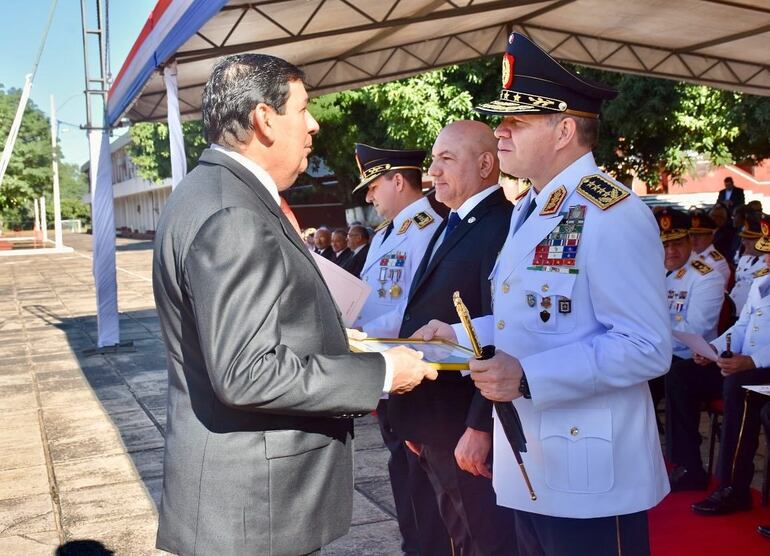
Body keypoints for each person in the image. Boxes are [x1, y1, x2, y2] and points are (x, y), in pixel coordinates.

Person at [151, 54, 437, 556]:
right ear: (264, 118)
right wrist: (383, 372)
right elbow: (247, 371)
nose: (314, 124)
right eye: (303, 108)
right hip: (255, 512)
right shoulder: (234, 214)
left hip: (244, 502)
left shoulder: (212, 192)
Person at [415, 32, 672, 555]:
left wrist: (528, 377)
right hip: (534, 462)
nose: (500, 133)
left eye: (516, 122)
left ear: (565, 131)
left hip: (592, 475)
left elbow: (646, 346)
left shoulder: (611, 213)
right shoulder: (534, 210)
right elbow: (535, 322)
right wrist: (465, 338)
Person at [391, 120, 517, 555]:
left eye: (446, 159)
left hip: (461, 421)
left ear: (486, 164)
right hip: (435, 419)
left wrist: (480, 425)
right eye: (433, 160)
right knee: (459, 536)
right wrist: (413, 413)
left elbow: (502, 334)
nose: (433, 171)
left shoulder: (500, 225)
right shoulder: (456, 220)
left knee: (484, 540)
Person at [351, 143, 450, 555]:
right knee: (404, 480)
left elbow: (412, 308)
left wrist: (359, 338)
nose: (370, 196)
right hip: (386, 371)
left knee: (426, 492)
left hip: (416, 371)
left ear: (397, 180)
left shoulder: (428, 228)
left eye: (374, 186)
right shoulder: (385, 234)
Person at [686, 215, 770, 515]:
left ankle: (733, 487)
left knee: (739, 386)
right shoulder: (762, 280)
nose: (767, 258)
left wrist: (750, 360)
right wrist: (714, 347)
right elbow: (743, 324)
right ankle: (697, 469)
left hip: (762, 367)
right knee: (691, 372)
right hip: (753, 367)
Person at [656, 209, 724, 489]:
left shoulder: (706, 276)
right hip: (659, 354)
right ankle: (641, 456)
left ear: (690, 242)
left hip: (694, 359)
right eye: (665, 244)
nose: (671, 250)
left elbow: (695, 328)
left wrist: (652, 338)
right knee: (625, 375)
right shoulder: (654, 271)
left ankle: (688, 466)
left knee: (677, 379)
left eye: (678, 243)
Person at [730, 218, 767, 314]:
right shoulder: (744, 259)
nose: (744, 242)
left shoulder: (767, 264)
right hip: (734, 311)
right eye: (744, 238)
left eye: (750, 239)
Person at [688, 208, 731, 289]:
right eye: (691, 235)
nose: (694, 239)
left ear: (711, 237)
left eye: (699, 235)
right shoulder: (687, 255)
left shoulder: (718, 263)